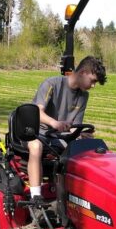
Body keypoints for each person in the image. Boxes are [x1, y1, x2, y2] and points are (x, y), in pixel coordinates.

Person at [28, 56, 107, 203]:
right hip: (38, 132)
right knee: (36, 146)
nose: (93, 85)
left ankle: (79, 196)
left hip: (59, 136)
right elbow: (37, 112)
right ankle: (36, 196)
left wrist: (80, 133)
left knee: (85, 150)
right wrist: (55, 123)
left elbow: (73, 127)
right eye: (93, 81)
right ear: (83, 72)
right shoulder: (51, 84)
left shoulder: (83, 96)